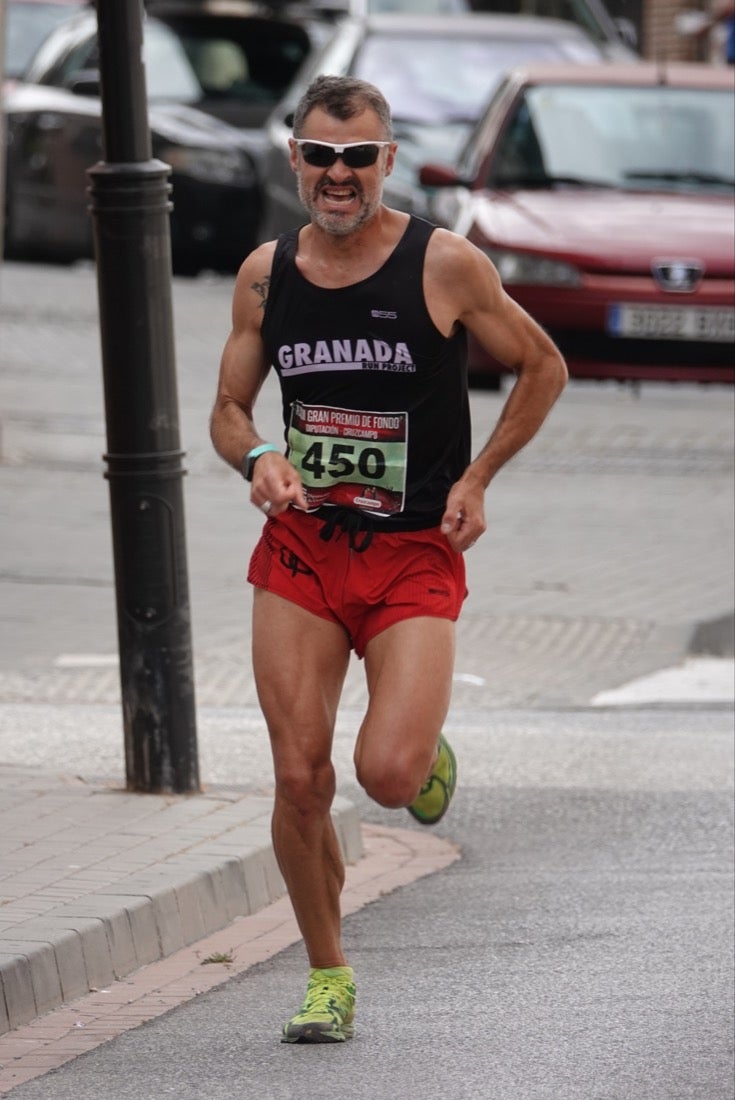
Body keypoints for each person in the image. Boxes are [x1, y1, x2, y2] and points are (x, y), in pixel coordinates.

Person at [210, 74, 567, 1044]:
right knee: (299, 779)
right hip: (305, 548)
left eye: (358, 156)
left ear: (387, 160)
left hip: (413, 553)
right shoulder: (264, 276)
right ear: (295, 158)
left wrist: (479, 477)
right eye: (321, 156)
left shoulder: (443, 265)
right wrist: (259, 454)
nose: (339, 175)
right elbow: (229, 409)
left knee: (388, 774)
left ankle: (423, 750)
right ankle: (328, 973)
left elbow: (543, 364)